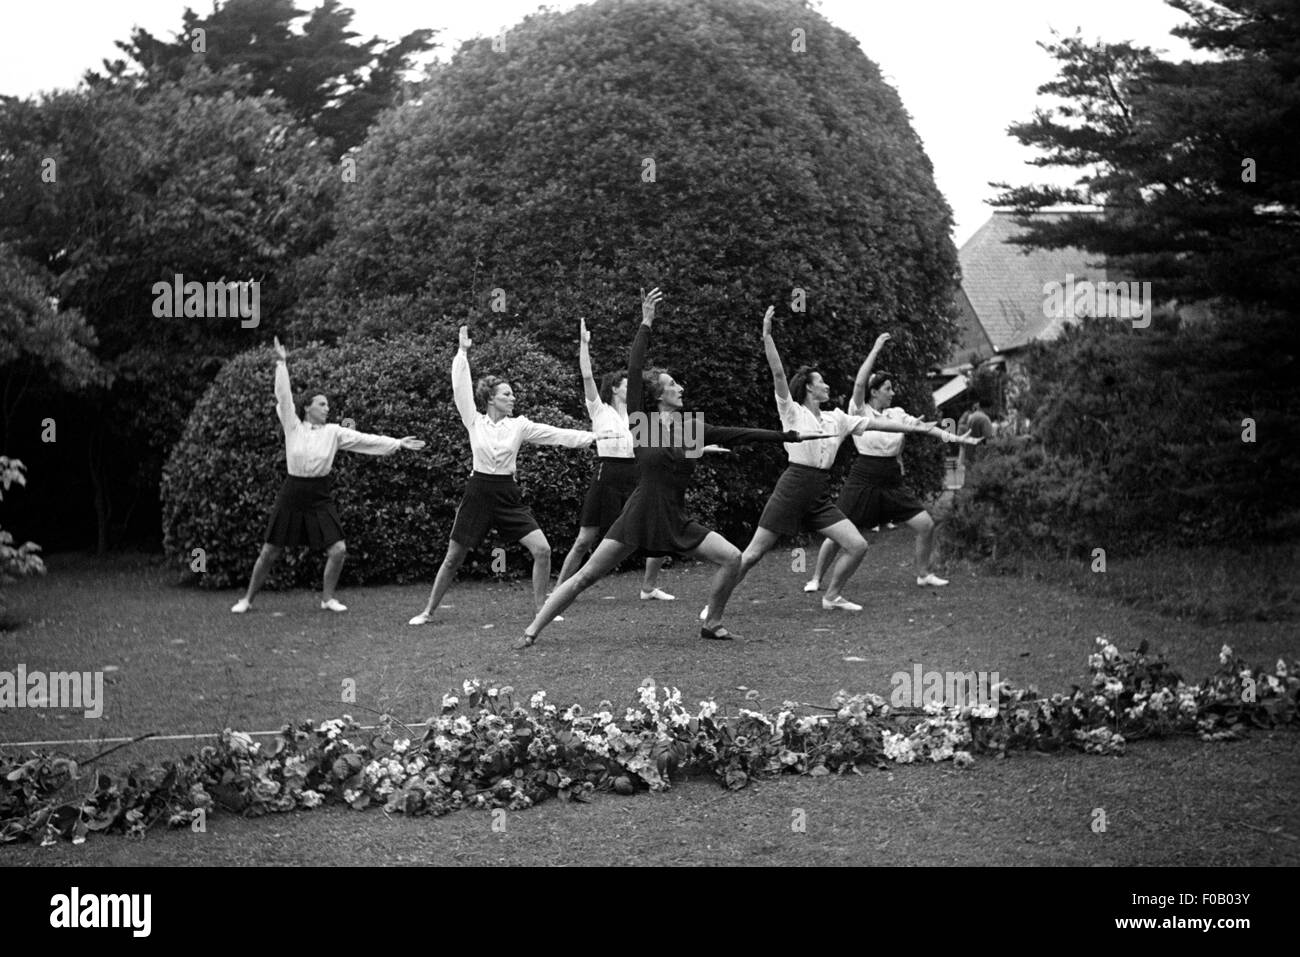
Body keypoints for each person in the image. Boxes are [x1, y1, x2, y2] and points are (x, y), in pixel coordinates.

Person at [514, 288, 831, 649]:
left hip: (675, 516)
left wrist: (787, 434)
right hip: (637, 515)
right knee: (585, 576)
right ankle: (531, 631)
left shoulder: (692, 428)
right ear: (658, 395)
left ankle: (712, 622)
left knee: (732, 558)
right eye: (672, 385)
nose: (680, 388)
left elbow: (740, 434)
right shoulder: (641, 423)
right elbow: (634, 369)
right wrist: (645, 324)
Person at [701, 311, 929, 619]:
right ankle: (713, 607)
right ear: (809, 388)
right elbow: (779, 376)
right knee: (753, 554)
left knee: (858, 545)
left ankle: (832, 596)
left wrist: (914, 428)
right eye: (821, 382)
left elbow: (877, 427)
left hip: (818, 493)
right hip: (793, 486)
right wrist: (767, 337)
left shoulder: (837, 417)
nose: (826, 385)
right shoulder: (792, 413)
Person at [408, 325, 607, 627]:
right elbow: (460, 386)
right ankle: (428, 612)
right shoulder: (473, 419)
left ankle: (542, 609)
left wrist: (591, 437)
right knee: (453, 558)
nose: (513, 398)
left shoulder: (520, 425)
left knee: (542, 549)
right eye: (507, 394)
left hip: (506, 494)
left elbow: (553, 434)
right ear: (490, 398)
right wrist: (462, 352)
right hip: (478, 492)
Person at [231, 337, 426, 614]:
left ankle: (327, 599)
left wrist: (397, 443)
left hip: (319, 494)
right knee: (270, 551)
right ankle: (247, 599)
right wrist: (281, 363)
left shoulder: (334, 431)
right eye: (321, 404)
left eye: (327, 405)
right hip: (292, 491)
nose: (327, 408)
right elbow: (283, 396)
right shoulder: (293, 426)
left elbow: (364, 440)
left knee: (338, 550)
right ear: (307, 407)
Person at [805, 337, 980, 591]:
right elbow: (859, 382)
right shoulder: (858, 410)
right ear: (874, 392)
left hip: (891, 478)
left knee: (926, 525)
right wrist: (875, 349)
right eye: (888, 388)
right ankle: (816, 578)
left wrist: (958, 438)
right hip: (863, 477)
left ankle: (923, 574)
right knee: (838, 533)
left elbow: (925, 429)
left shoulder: (897, 414)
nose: (893, 392)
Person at [555, 317, 674, 601]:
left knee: (657, 529)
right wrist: (584, 345)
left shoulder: (637, 415)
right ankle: (559, 590)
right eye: (624, 383)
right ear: (615, 388)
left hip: (635, 473)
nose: (628, 386)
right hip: (607, 474)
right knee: (585, 538)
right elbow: (586, 376)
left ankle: (648, 587)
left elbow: (663, 442)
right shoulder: (599, 409)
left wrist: (702, 447)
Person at [961, 400, 994, 468]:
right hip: (980, 454)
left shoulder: (972, 416)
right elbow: (988, 437)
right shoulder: (984, 419)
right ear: (988, 408)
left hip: (969, 452)